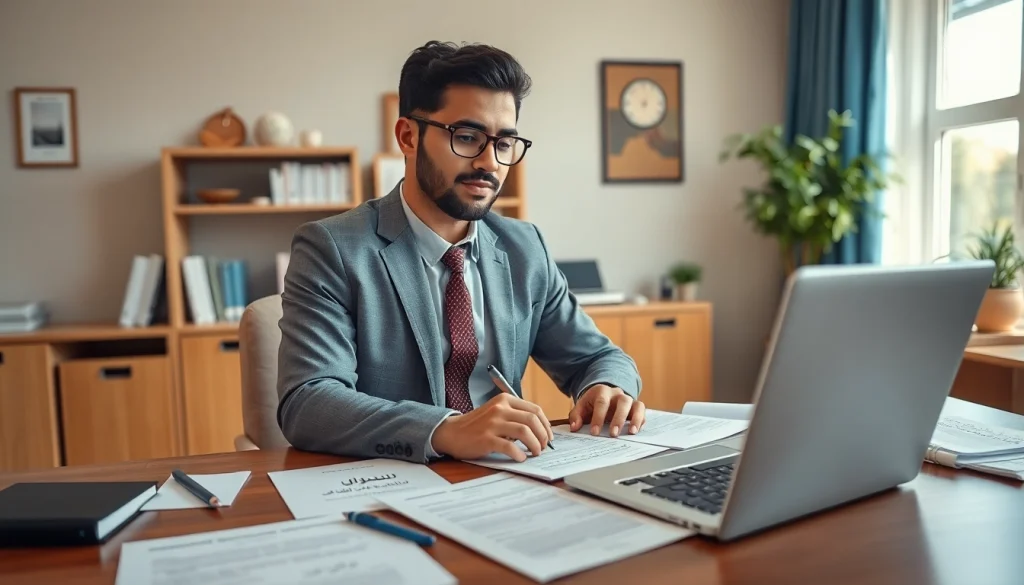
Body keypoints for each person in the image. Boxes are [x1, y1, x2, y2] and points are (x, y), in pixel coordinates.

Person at [276, 40, 646, 464]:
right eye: (467, 137)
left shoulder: (524, 248)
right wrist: (444, 429)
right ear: (408, 136)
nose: (489, 162)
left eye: (504, 143)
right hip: (394, 487)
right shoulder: (333, 248)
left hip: (511, 476)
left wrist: (606, 387)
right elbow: (307, 401)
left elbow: (599, 357)